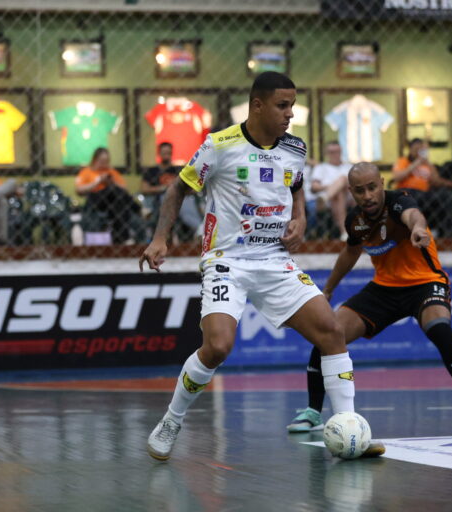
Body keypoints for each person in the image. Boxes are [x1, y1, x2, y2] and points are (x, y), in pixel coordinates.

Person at [139, 72, 364, 461]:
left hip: (275, 261)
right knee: (218, 346)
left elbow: (296, 187)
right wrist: (160, 238)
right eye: (282, 105)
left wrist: (300, 219)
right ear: (257, 106)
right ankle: (172, 420)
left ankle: (349, 424)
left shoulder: (294, 147)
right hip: (227, 261)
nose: (290, 114)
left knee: (331, 332)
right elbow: (177, 189)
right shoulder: (219, 145)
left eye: (292, 106)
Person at [286, 163, 452, 435]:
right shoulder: (356, 220)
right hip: (384, 289)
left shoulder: (399, 202)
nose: (368, 195)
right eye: (360, 191)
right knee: (328, 334)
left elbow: (414, 216)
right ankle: (313, 412)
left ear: (382, 183)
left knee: (439, 329)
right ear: (351, 192)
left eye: (372, 188)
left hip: (425, 283)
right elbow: (350, 253)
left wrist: (418, 229)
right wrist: (329, 289)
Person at [76, 147, 147, 244]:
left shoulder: (111, 172)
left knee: (118, 204)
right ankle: (139, 209)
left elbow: (124, 191)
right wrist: (99, 181)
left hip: (112, 203)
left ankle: (123, 239)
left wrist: (112, 181)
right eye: (102, 161)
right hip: (95, 200)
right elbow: (79, 190)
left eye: (106, 161)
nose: (104, 164)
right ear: (95, 160)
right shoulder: (86, 172)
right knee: (111, 189)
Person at [140, 142, 203, 241]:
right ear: (159, 153)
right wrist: (164, 188)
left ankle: (199, 229)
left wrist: (178, 188)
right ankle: (199, 228)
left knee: (185, 200)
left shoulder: (178, 170)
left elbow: (193, 188)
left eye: (168, 153)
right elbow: (144, 189)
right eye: (164, 153)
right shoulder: (152, 171)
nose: (166, 155)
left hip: (180, 198)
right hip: (160, 199)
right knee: (169, 196)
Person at [310, 141, 352, 240]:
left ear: (341, 152)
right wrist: (332, 187)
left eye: (337, 152)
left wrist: (338, 185)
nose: (335, 155)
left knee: (343, 179)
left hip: (350, 198)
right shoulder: (321, 167)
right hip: (333, 201)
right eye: (331, 152)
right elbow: (314, 186)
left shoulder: (348, 167)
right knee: (338, 194)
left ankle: (325, 197)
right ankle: (344, 232)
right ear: (326, 153)